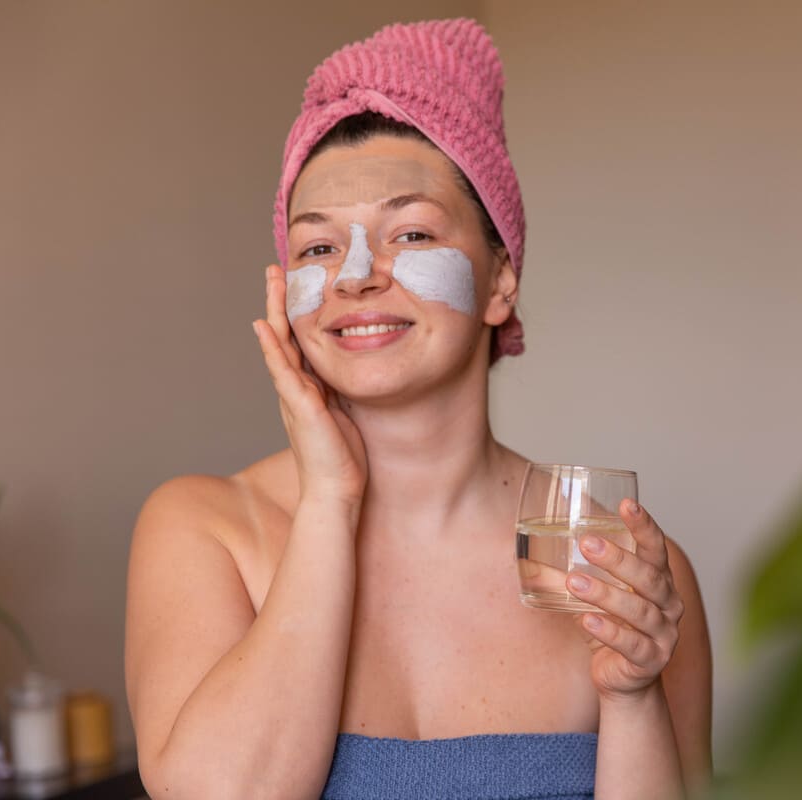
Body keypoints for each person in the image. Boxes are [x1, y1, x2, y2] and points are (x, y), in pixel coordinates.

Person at [125, 18, 711, 800]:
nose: (356, 277)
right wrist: (330, 502)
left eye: (409, 231)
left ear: (502, 281)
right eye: (318, 247)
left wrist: (632, 697)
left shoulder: (624, 570)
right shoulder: (203, 530)